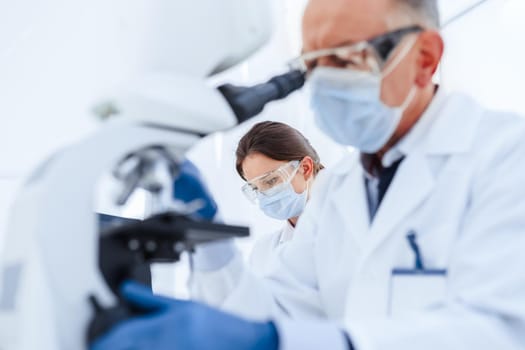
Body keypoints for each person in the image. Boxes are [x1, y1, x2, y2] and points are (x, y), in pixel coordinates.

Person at [91, 0, 525, 349]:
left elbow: (501, 329)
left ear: (425, 58)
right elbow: (282, 311)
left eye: (344, 58)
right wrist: (213, 251)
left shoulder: (505, 156)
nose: (324, 84)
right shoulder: (341, 190)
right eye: (311, 66)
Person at [236, 121, 324, 274]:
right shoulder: (263, 253)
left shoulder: (353, 223)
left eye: (271, 181)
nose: (265, 195)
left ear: (305, 168)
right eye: (256, 188)